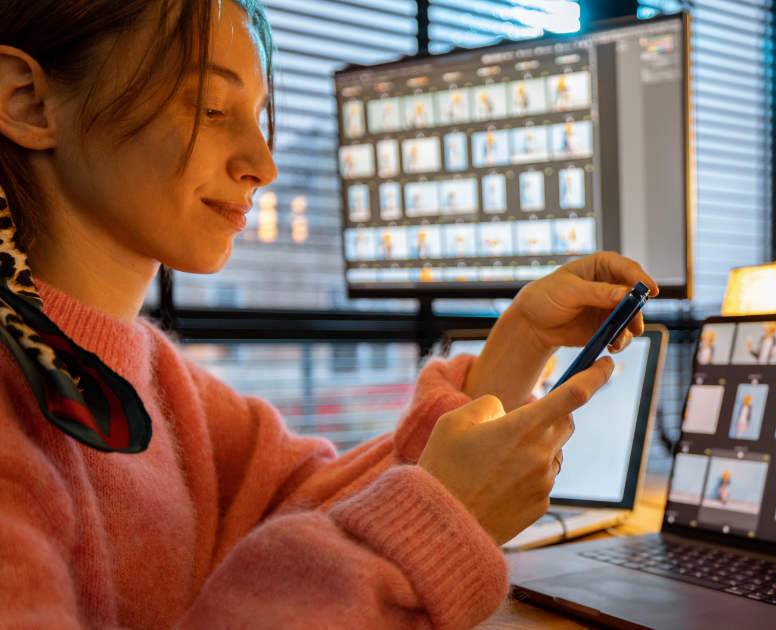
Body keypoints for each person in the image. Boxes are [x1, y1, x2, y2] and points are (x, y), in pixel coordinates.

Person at [0, 2, 661, 627]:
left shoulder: (162, 385)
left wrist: (517, 347)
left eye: (260, 118)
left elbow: (316, 502)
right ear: (28, 102)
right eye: (212, 107)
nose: (263, 164)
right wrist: (438, 521)